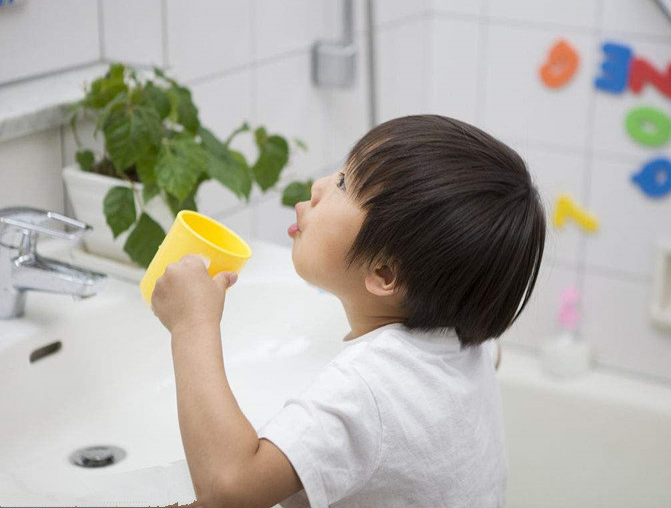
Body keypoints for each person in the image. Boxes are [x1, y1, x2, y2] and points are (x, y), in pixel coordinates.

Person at [151, 114, 547, 507]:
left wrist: (192, 324)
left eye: (343, 184)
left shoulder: (367, 388)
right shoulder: (467, 341)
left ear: (384, 272)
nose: (319, 186)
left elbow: (229, 489)